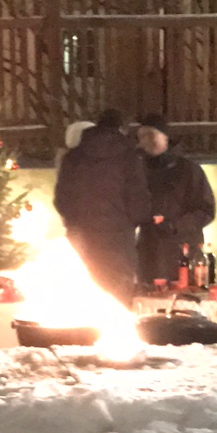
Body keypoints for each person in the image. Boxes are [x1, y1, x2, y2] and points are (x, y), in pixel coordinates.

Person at [53, 106, 152, 305]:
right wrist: (134, 221)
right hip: (118, 241)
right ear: (122, 129)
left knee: (83, 298)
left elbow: (62, 199)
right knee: (118, 299)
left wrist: (75, 222)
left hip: (82, 239)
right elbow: (138, 201)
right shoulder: (129, 158)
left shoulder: (73, 158)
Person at [136, 112, 216, 287]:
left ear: (165, 137)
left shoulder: (189, 171)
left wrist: (175, 226)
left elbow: (206, 210)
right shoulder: (137, 170)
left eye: (150, 135)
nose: (145, 141)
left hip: (182, 254)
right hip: (148, 255)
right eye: (142, 136)